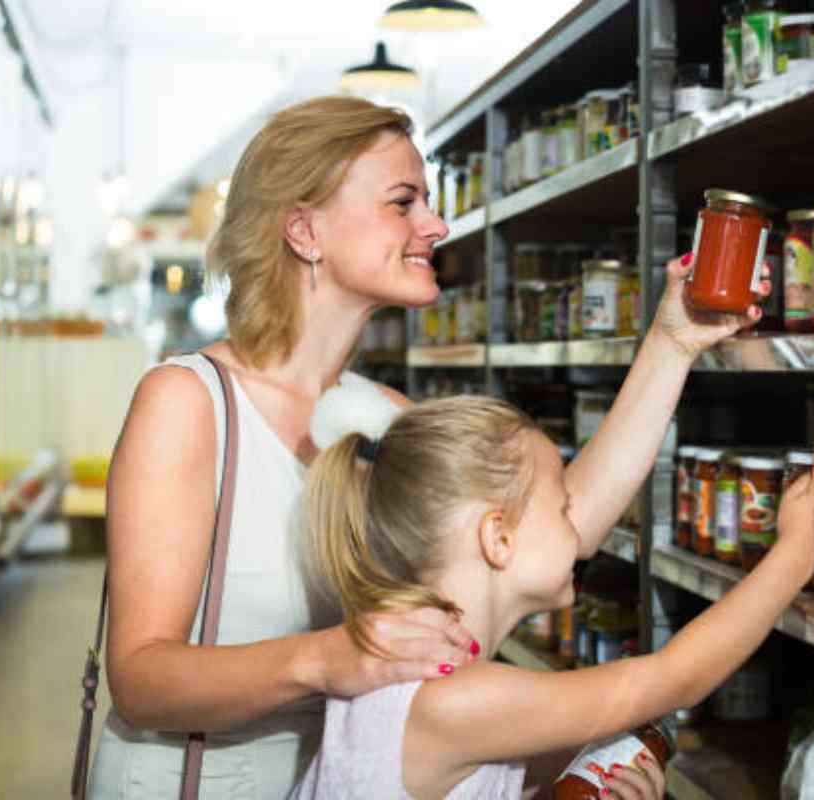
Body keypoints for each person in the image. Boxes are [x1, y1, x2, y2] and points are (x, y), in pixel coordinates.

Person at [90, 95, 767, 799]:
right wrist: (327, 659)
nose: (436, 226)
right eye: (403, 203)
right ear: (303, 229)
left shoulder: (379, 420)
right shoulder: (189, 402)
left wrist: (671, 343)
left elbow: (551, 525)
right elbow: (140, 678)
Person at [293, 395, 814, 799]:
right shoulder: (449, 696)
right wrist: (798, 552)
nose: (579, 530)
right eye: (563, 508)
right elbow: (675, 678)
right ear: (498, 538)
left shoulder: (415, 667)